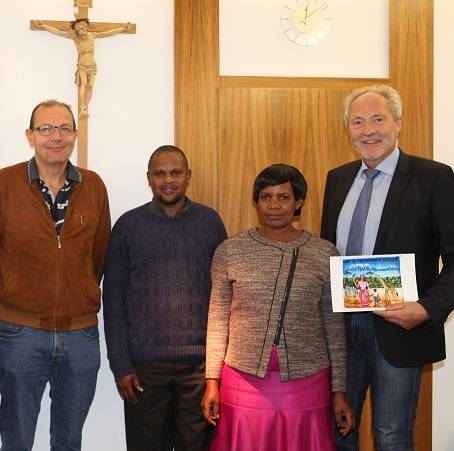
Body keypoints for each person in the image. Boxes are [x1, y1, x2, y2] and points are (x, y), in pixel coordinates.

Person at [0, 99, 111, 451]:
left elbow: (99, 257)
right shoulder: (4, 183)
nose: (56, 136)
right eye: (46, 128)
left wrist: (78, 297)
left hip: (80, 336)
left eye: (64, 128)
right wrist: (4, 309)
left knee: (69, 440)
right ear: (30, 135)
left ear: (75, 135)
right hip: (20, 334)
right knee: (17, 438)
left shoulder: (93, 186)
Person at [321, 85, 454, 450]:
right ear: (348, 130)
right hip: (341, 330)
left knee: (392, 435)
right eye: (358, 122)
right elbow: (326, 255)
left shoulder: (434, 177)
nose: (368, 131)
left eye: (378, 119)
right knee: (337, 432)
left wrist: (427, 309)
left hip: (399, 328)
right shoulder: (337, 178)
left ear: (398, 123)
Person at [202, 164, 354, 451]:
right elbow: (218, 319)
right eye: (266, 197)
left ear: (298, 202)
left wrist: (339, 389)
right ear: (256, 201)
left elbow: (334, 326)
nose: (273, 205)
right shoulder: (230, 251)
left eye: (283, 197)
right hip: (242, 379)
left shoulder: (324, 253)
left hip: (308, 379)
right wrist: (212, 380)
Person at [103, 145, 227, 450]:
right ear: (149, 178)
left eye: (175, 173)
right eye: (160, 174)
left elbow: (225, 298)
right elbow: (113, 300)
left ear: (188, 176)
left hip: (199, 368)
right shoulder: (128, 227)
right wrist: (120, 364)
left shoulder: (210, 223)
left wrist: (218, 368)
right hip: (144, 369)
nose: (168, 180)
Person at [34, 18, 132, 117]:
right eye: (79, 27)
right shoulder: (75, 37)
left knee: (90, 86)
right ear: (76, 29)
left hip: (92, 64)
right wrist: (44, 26)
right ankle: (83, 107)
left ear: (86, 26)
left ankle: (85, 107)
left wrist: (123, 28)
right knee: (83, 84)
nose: (82, 29)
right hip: (83, 64)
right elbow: (59, 32)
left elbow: (108, 33)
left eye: (84, 26)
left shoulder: (92, 36)